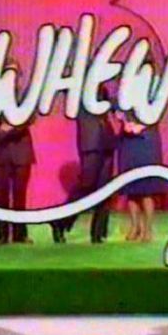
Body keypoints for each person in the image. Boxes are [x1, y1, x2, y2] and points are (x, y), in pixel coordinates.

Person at [52, 86, 117, 244]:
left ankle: (98, 233)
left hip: (107, 139)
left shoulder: (101, 86)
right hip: (90, 141)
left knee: (105, 188)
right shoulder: (78, 85)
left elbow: (111, 104)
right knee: (87, 184)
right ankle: (61, 221)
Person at [0, 60, 35, 245]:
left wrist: (11, 127)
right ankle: (2, 235)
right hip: (0, 152)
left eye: (14, 72)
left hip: (22, 152)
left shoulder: (25, 96)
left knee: (20, 196)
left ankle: (20, 234)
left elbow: (30, 118)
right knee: (1, 196)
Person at [117, 61, 165, 243]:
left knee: (146, 188)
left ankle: (148, 230)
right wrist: (125, 122)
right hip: (128, 143)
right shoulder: (126, 86)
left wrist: (142, 126)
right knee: (131, 188)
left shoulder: (156, 87)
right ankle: (134, 227)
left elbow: (158, 109)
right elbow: (118, 107)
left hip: (146, 141)